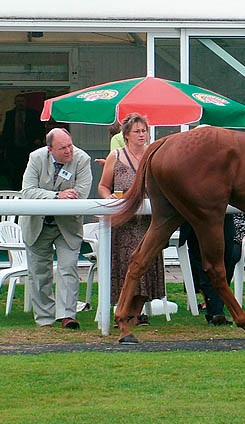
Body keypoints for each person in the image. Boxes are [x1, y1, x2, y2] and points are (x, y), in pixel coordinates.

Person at [97, 113, 165, 327]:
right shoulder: (115, 156)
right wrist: (109, 199)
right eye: (137, 131)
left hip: (148, 222)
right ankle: (124, 311)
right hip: (124, 221)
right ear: (126, 135)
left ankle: (135, 313)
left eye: (144, 131)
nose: (142, 135)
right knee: (125, 262)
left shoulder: (154, 156)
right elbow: (103, 185)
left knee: (147, 262)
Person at [20, 127, 92, 329]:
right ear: (50, 149)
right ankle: (44, 319)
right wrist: (55, 196)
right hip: (37, 225)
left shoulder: (82, 159)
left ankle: (67, 316)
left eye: (70, 145)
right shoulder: (35, 158)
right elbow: (27, 191)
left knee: (68, 268)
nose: (69, 151)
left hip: (68, 225)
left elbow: (82, 192)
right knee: (39, 272)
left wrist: (66, 196)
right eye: (63, 148)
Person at [179, 212, 245, 325]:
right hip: (215, 242)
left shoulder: (243, 207)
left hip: (239, 243)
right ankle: (212, 301)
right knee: (197, 260)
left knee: (228, 257)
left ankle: (217, 303)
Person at [1, 94, 46, 190]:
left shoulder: (33, 114)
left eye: (22, 101)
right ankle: (16, 190)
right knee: (15, 170)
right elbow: (6, 131)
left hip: (30, 147)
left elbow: (41, 128)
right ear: (15, 103)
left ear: (26, 102)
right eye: (18, 101)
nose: (20, 103)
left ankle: (29, 188)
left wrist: (39, 139)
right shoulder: (10, 114)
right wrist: (4, 147)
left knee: (30, 168)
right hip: (14, 148)